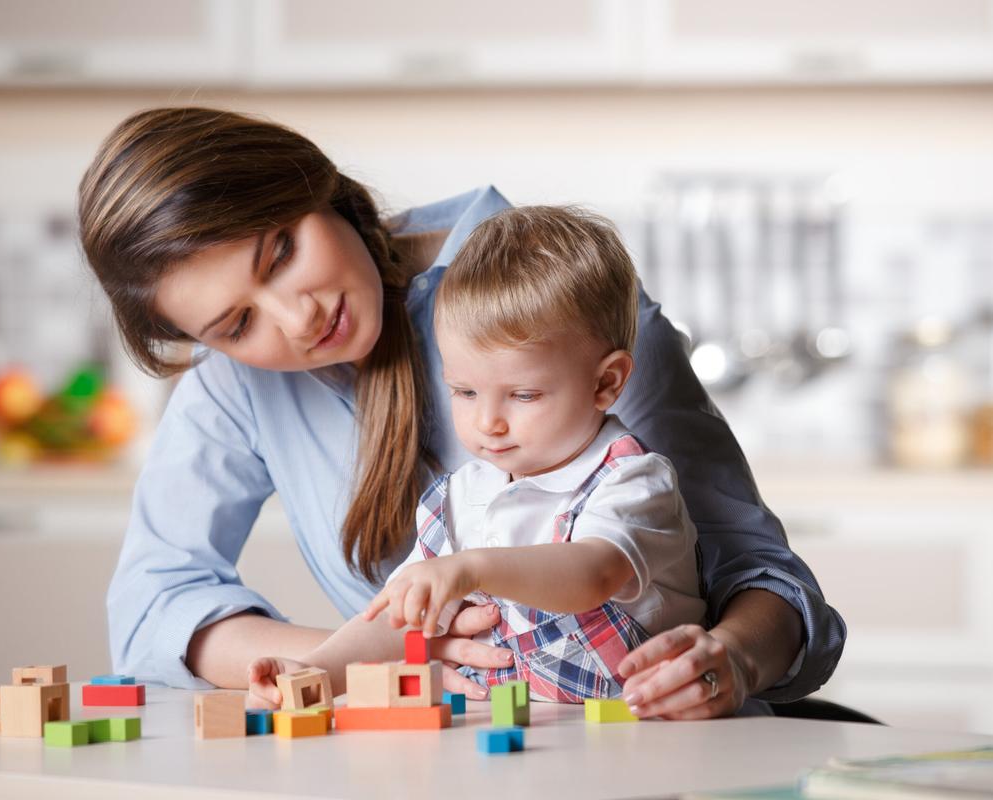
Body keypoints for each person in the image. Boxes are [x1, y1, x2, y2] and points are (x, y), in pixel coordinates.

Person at [78, 106, 845, 720]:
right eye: (237, 325)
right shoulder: (239, 382)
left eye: (279, 252)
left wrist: (735, 660)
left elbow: (765, 580)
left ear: (310, 181)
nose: (296, 315)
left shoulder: (551, 309)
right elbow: (152, 612)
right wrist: (376, 658)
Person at [246, 205, 708, 707]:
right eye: (464, 392)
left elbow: (592, 574)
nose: (488, 422)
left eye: (524, 395)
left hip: (641, 742)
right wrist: (311, 671)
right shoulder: (459, 499)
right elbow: (396, 621)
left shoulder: (633, 481)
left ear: (606, 382)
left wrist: (472, 568)